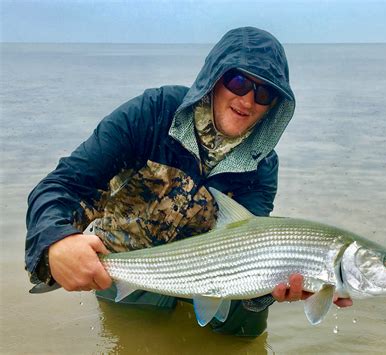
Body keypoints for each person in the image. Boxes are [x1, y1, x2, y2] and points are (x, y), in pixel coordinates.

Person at [25, 26, 352, 336]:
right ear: (213, 79)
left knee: (245, 332)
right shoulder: (150, 113)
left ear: (273, 107)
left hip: (215, 274)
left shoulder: (262, 165)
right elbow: (64, 185)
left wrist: (276, 288)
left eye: (264, 92)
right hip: (125, 266)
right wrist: (56, 241)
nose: (248, 100)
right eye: (238, 81)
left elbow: (253, 247)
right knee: (133, 341)